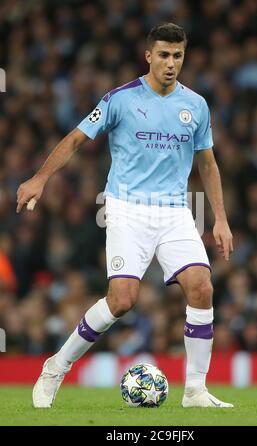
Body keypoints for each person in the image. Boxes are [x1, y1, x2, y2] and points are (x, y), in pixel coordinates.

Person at [16, 23, 234, 408]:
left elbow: (209, 164)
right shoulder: (120, 99)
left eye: (178, 56)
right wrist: (40, 178)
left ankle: (196, 390)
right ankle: (55, 367)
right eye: (164, 55)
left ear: (184, 57)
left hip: (174, 211)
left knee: (201, 285)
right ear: (149, 56)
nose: (171, 63)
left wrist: (220, 218)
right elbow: (76, 139)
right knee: (122, 300)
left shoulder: (195, 105)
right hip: (125, 209)